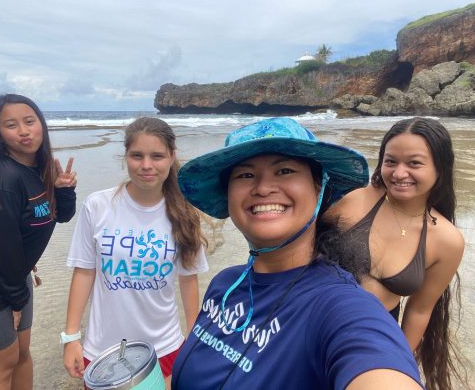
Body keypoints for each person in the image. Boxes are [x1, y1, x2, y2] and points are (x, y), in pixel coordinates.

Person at [171, 117, 423, 390]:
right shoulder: (224, 285)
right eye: (245, 175)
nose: (263, 188)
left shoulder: (340, 307)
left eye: (285, 171)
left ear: (319, 188)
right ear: (228, 195)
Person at [62, 117, 209, 389]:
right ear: (125, 156)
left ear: (171, 156)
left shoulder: (185, 213)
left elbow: (189, 281)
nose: (146, 165)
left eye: (157, 156)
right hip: (102, 352)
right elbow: (84, 271)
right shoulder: (98, 206)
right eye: (137, 155)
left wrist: (194, 338)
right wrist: (70, 337)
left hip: (163, 348)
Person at [324, 117, 465, 390]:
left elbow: (419, 311)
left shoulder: (448, 240)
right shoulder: (356, 200)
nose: (399, 173)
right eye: (391, 162)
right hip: (320, 319)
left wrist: (401, 362)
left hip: (373, 338)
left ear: (440, 168)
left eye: (414, 163)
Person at [0, 94, 77, 390]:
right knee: (1, 366)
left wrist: (64, 189)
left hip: (15, 275)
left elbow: (60, 216)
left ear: (41, 124)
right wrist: (15, 299)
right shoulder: (4, 177)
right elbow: (2, 248)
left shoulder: (37, 170)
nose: (24, 131)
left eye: (29, 121)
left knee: (22, 355)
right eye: (11, 125)